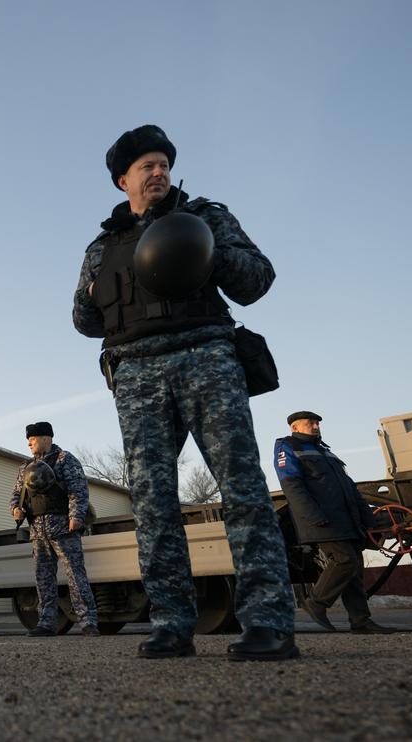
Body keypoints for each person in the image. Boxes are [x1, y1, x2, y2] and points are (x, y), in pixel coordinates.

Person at [72, 124, 298, 661]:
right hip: (136, 374)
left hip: (207, 358)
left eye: (164, 164)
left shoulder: (206, 217)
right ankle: (172, 623)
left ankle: (267, 622)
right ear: (122, 179)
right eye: (146, 166)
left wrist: (205, 247)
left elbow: (257, 279)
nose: (158, 172)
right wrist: (91, 296)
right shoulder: (102, 246)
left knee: (241, 488)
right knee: (152, 502)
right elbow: (83, 319)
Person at [274, 411, 395, 634]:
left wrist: (368, 518)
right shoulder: (287, 447)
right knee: (344, 561)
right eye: (310, 423)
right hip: (323, 520)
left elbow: (349, 488)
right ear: (295, 427)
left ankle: (361, 621)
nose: (316, 426)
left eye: (317, 423)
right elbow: (293, 487)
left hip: (347, 520)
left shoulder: (325, 451)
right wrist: (313, 516)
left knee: (355, 570)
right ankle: (315, 603)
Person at [10, 421, 99, 636]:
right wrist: (15, 509)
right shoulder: (25, 467)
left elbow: (78, 490)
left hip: (63, 528)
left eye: (32, 439)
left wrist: (76, 516)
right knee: (43, 579)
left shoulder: (65, 460)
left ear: (46, 438)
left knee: (76, 576)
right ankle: (47, 622)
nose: (29, 443)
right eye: (28, 440)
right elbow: (16, 495)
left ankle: (88, 621)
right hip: (38, 531)